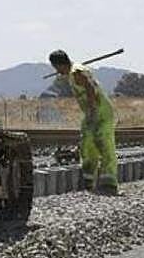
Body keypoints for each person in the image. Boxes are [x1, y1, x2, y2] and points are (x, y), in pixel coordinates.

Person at [50, 49, 118, 195]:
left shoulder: (77, 73)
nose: (57, 71)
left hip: (101, 112)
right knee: (87, 144)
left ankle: (109, 183)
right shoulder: (74, 72)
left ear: (59, 65)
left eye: (56, 68)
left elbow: (90, 89)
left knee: (104, 144)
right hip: (91, 112)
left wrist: (92, 110)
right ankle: (89, 180)